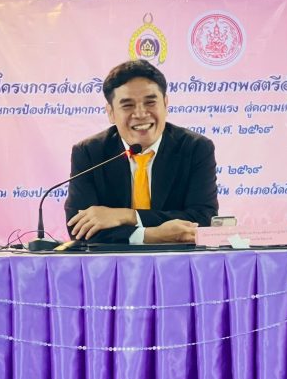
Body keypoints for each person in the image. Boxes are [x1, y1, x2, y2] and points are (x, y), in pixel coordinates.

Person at [65, 60, 218, 244]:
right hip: (113, 260)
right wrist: (152, 235)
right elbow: (79, 229)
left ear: (166, 104)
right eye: (127, 105)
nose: (140, 114)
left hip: (178, 259)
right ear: (111, 113)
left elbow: (203, 219)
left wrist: (127, 216)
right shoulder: (89, 153)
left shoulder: (195, 148)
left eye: (150, 102)